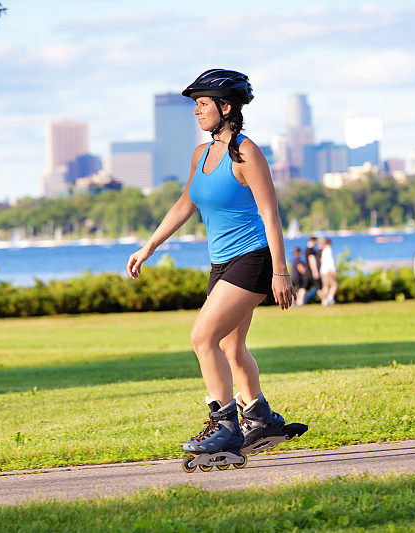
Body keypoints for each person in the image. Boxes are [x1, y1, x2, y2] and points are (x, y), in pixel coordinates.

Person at [126, 69, 295, 467]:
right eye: (196, 105)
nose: (196, 112)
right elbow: (187, 202)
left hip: (254, 259)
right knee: (230, 347)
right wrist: (149, 245)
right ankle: (259, 418)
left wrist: (280, 272)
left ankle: (224, 425)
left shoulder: (247, 152)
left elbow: (271, 214)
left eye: (202, 105)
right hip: (221, 263)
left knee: (202, 336)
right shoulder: (201, 155)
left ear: (226, 107)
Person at [296, 236, 321, 306]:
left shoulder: (307, 249)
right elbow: (311, 260)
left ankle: (299, 302)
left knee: (303, 287)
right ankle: (326, 300)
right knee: (318, 287)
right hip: (311, 272)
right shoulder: (311, 250)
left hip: (308, 273)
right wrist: (315, 271)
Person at [319, 237, 338, 306]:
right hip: (329, 270)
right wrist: (333, 270)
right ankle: (330, 298)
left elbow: (321, 260)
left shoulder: (323, 250)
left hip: (323, 270)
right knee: (334, 284)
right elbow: (331, 261)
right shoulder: (329, 249)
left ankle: (324, 301)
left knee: (326, 286)